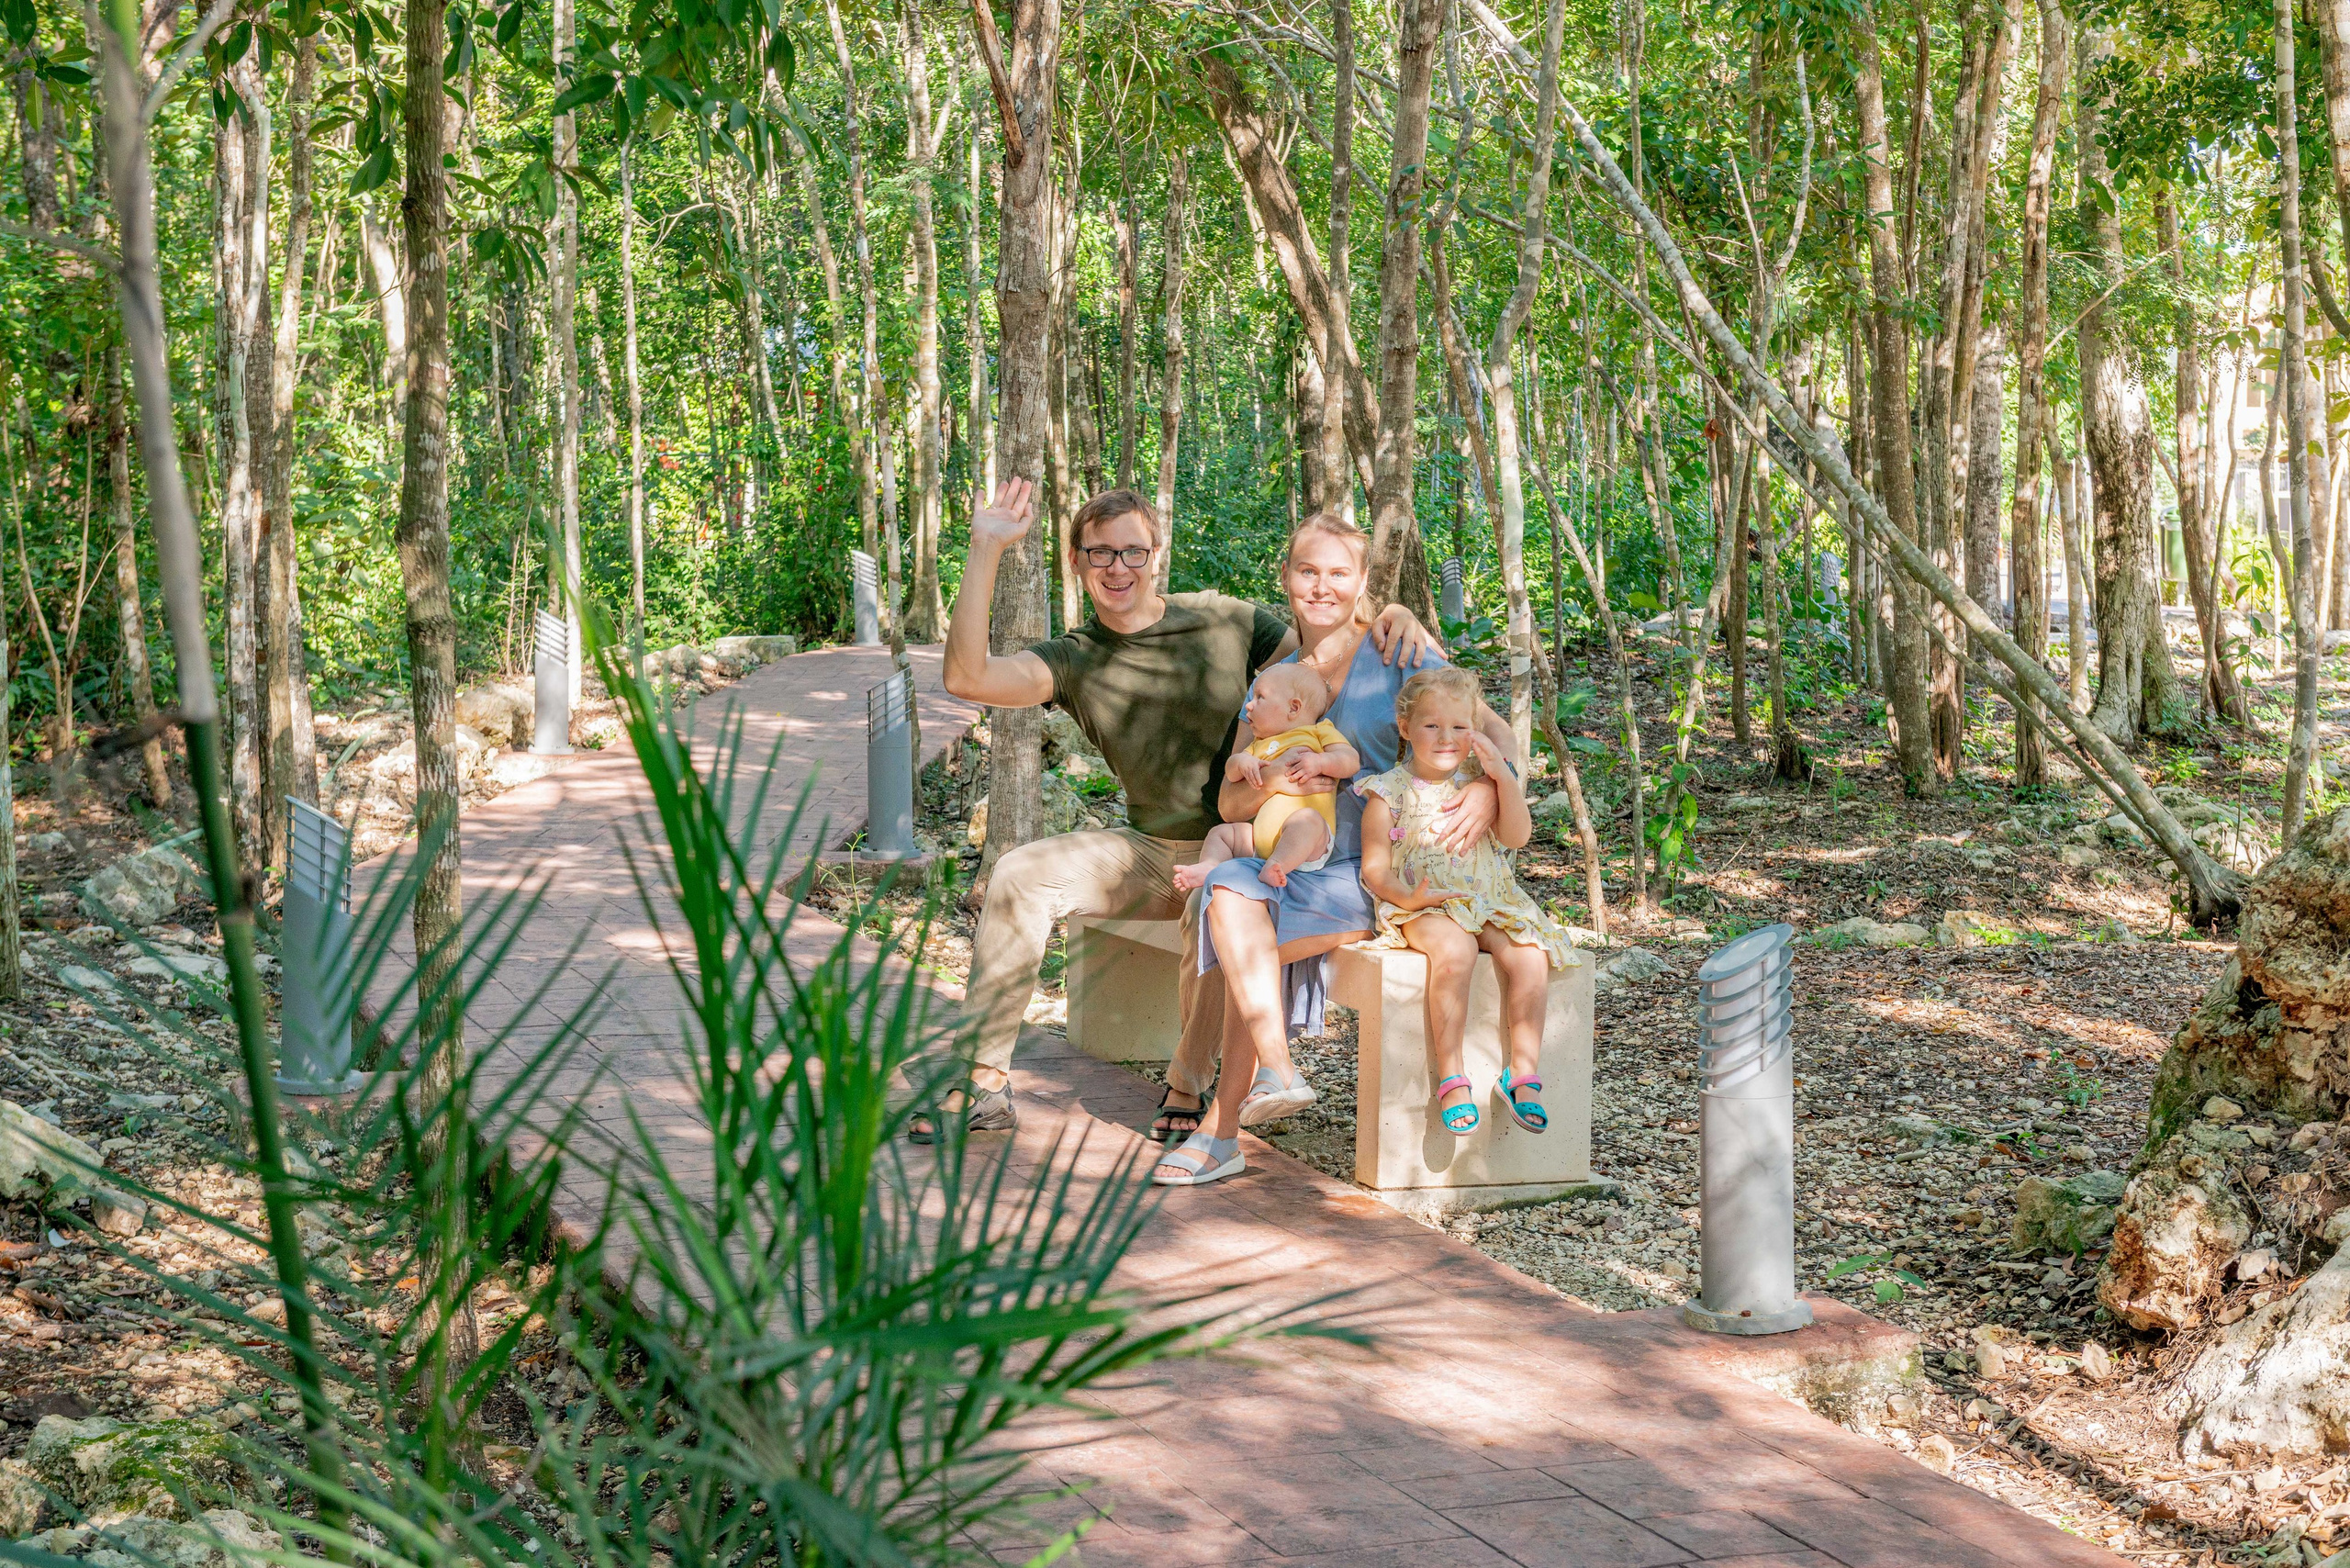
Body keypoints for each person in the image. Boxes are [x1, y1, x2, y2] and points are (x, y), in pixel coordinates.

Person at [919, 480, 1434, 1143]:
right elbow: (966, 678)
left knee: (1220, 901)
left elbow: (1322, 661)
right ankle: (984, 1085)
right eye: (1100, 554)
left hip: (1253, 844)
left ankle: (1187, 1081)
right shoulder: (1073, 659)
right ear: (1077, 561)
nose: (1118, 568)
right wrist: (986, 547)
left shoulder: (1227, 621)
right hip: (1153, 852)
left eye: (1133, 552)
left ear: (1156, 555)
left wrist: (1390, 615)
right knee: (1020, 873)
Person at [1151, 512, 1518, 1187]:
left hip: (1383, 870)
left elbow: (1493, 733)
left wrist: (1494, 795)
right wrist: (1279, 780)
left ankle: (1223, 1128)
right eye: (1307, 571)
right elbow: (1230, 807)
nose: (1321, 587)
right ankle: (1272, 1076)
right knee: (1230, 891)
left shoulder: (1402, 651)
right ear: (1287, 576)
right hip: (1296, 860)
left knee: (1243, 927)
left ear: (1363, 582)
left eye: (1338, 573)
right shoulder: (1276, 680)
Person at [1358, 666, 1572, 1137]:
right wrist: (1408, 897)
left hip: (1489, 899)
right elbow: (1375, 868)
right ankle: (1453, 1076)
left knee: (1531, 953)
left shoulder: (1482, 786)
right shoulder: (1388, 792)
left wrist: (1503, 778)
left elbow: (1515, 837)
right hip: (1425, 904)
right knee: (1454, 953)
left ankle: (1522, 1073)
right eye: (1431, 725)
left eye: (1459, 727)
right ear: (1406, 728)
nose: (1446, 737)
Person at [1172, 665, 1356, 894]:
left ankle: (1277, 864)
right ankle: (1210, 865)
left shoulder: (1318, 732)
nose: (1249, 704)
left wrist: (1321, 762)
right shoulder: (1257, 745)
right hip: (1259, 841)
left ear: (1294, 708)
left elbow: (1350, 761)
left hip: (1308, 844)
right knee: (1220, 834)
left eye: (1260, 697)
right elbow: (1231, 772)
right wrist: (1241, 763)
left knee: (1308, 819)